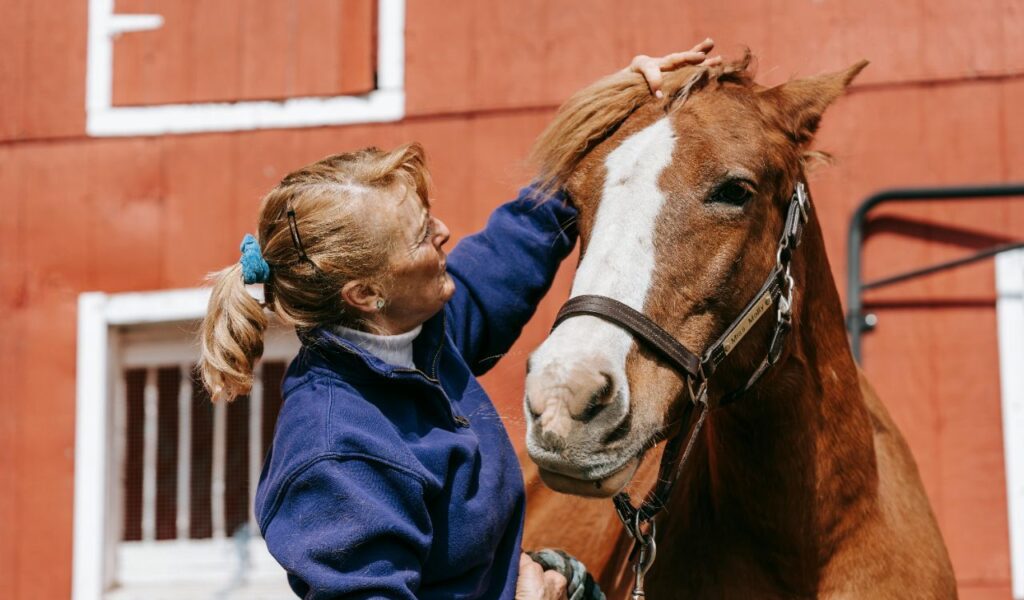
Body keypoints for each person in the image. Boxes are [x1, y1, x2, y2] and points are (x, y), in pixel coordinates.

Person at [199, 41, 718, 600]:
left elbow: (512, 248)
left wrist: (618, 106)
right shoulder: (337, 453)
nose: (444, 231)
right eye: (421, 235)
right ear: (366, 293)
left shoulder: (416, 338)